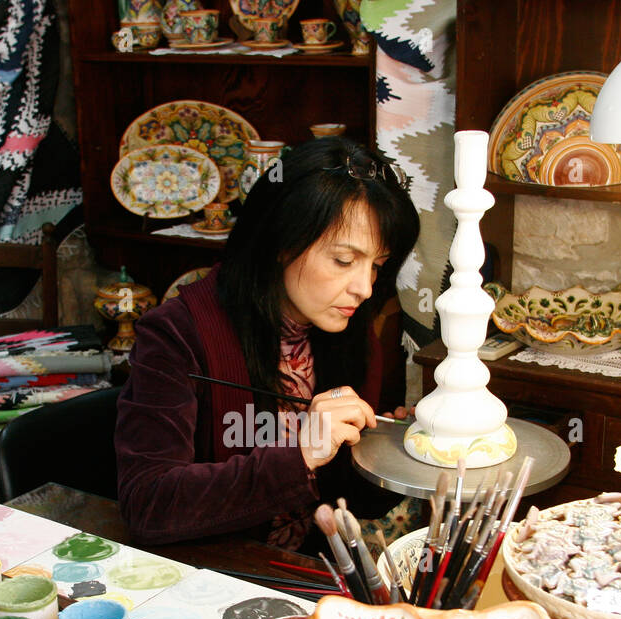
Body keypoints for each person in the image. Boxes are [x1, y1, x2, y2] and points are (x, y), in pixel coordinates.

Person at [116, 137, 421, 550]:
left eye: (377, 266)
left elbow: (353, 503)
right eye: (344, 261)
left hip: (301, 572)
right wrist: (302, 454)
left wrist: (393, 454)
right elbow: (148, 504)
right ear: (282, 241)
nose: (364, 287)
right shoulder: (176, 335)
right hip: (213, 573)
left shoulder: (348, 330)